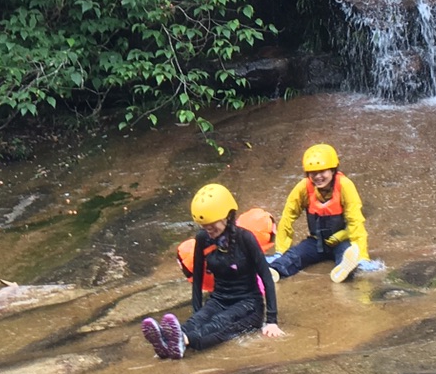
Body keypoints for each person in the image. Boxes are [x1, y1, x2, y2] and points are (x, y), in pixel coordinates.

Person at [142, 185, 283, 359]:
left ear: (227, 216)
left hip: (248, 304)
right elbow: (198, 279)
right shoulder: (203, 239)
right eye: (204, 225)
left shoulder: (245, 238)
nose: (208, 229)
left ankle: (183, 340)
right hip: (219, 299)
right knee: (197, 321)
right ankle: (166, 340)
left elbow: (266, 276)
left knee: (220, 323)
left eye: (212, 225)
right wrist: (197, 312)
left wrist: (272, 320)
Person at [270, 144, 372, 283]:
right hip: (316, 242)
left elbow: (355, 221)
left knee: (348, 256)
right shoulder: (303, 187)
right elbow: (287, 217)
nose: (318, 177)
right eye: (313, 173)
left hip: (342, 241)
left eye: (322, 171)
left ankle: (346, 268)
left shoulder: (345, 186)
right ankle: (275, 270)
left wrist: (363, 256)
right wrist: (280, 251)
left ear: (332, 170)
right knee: (294, 255)